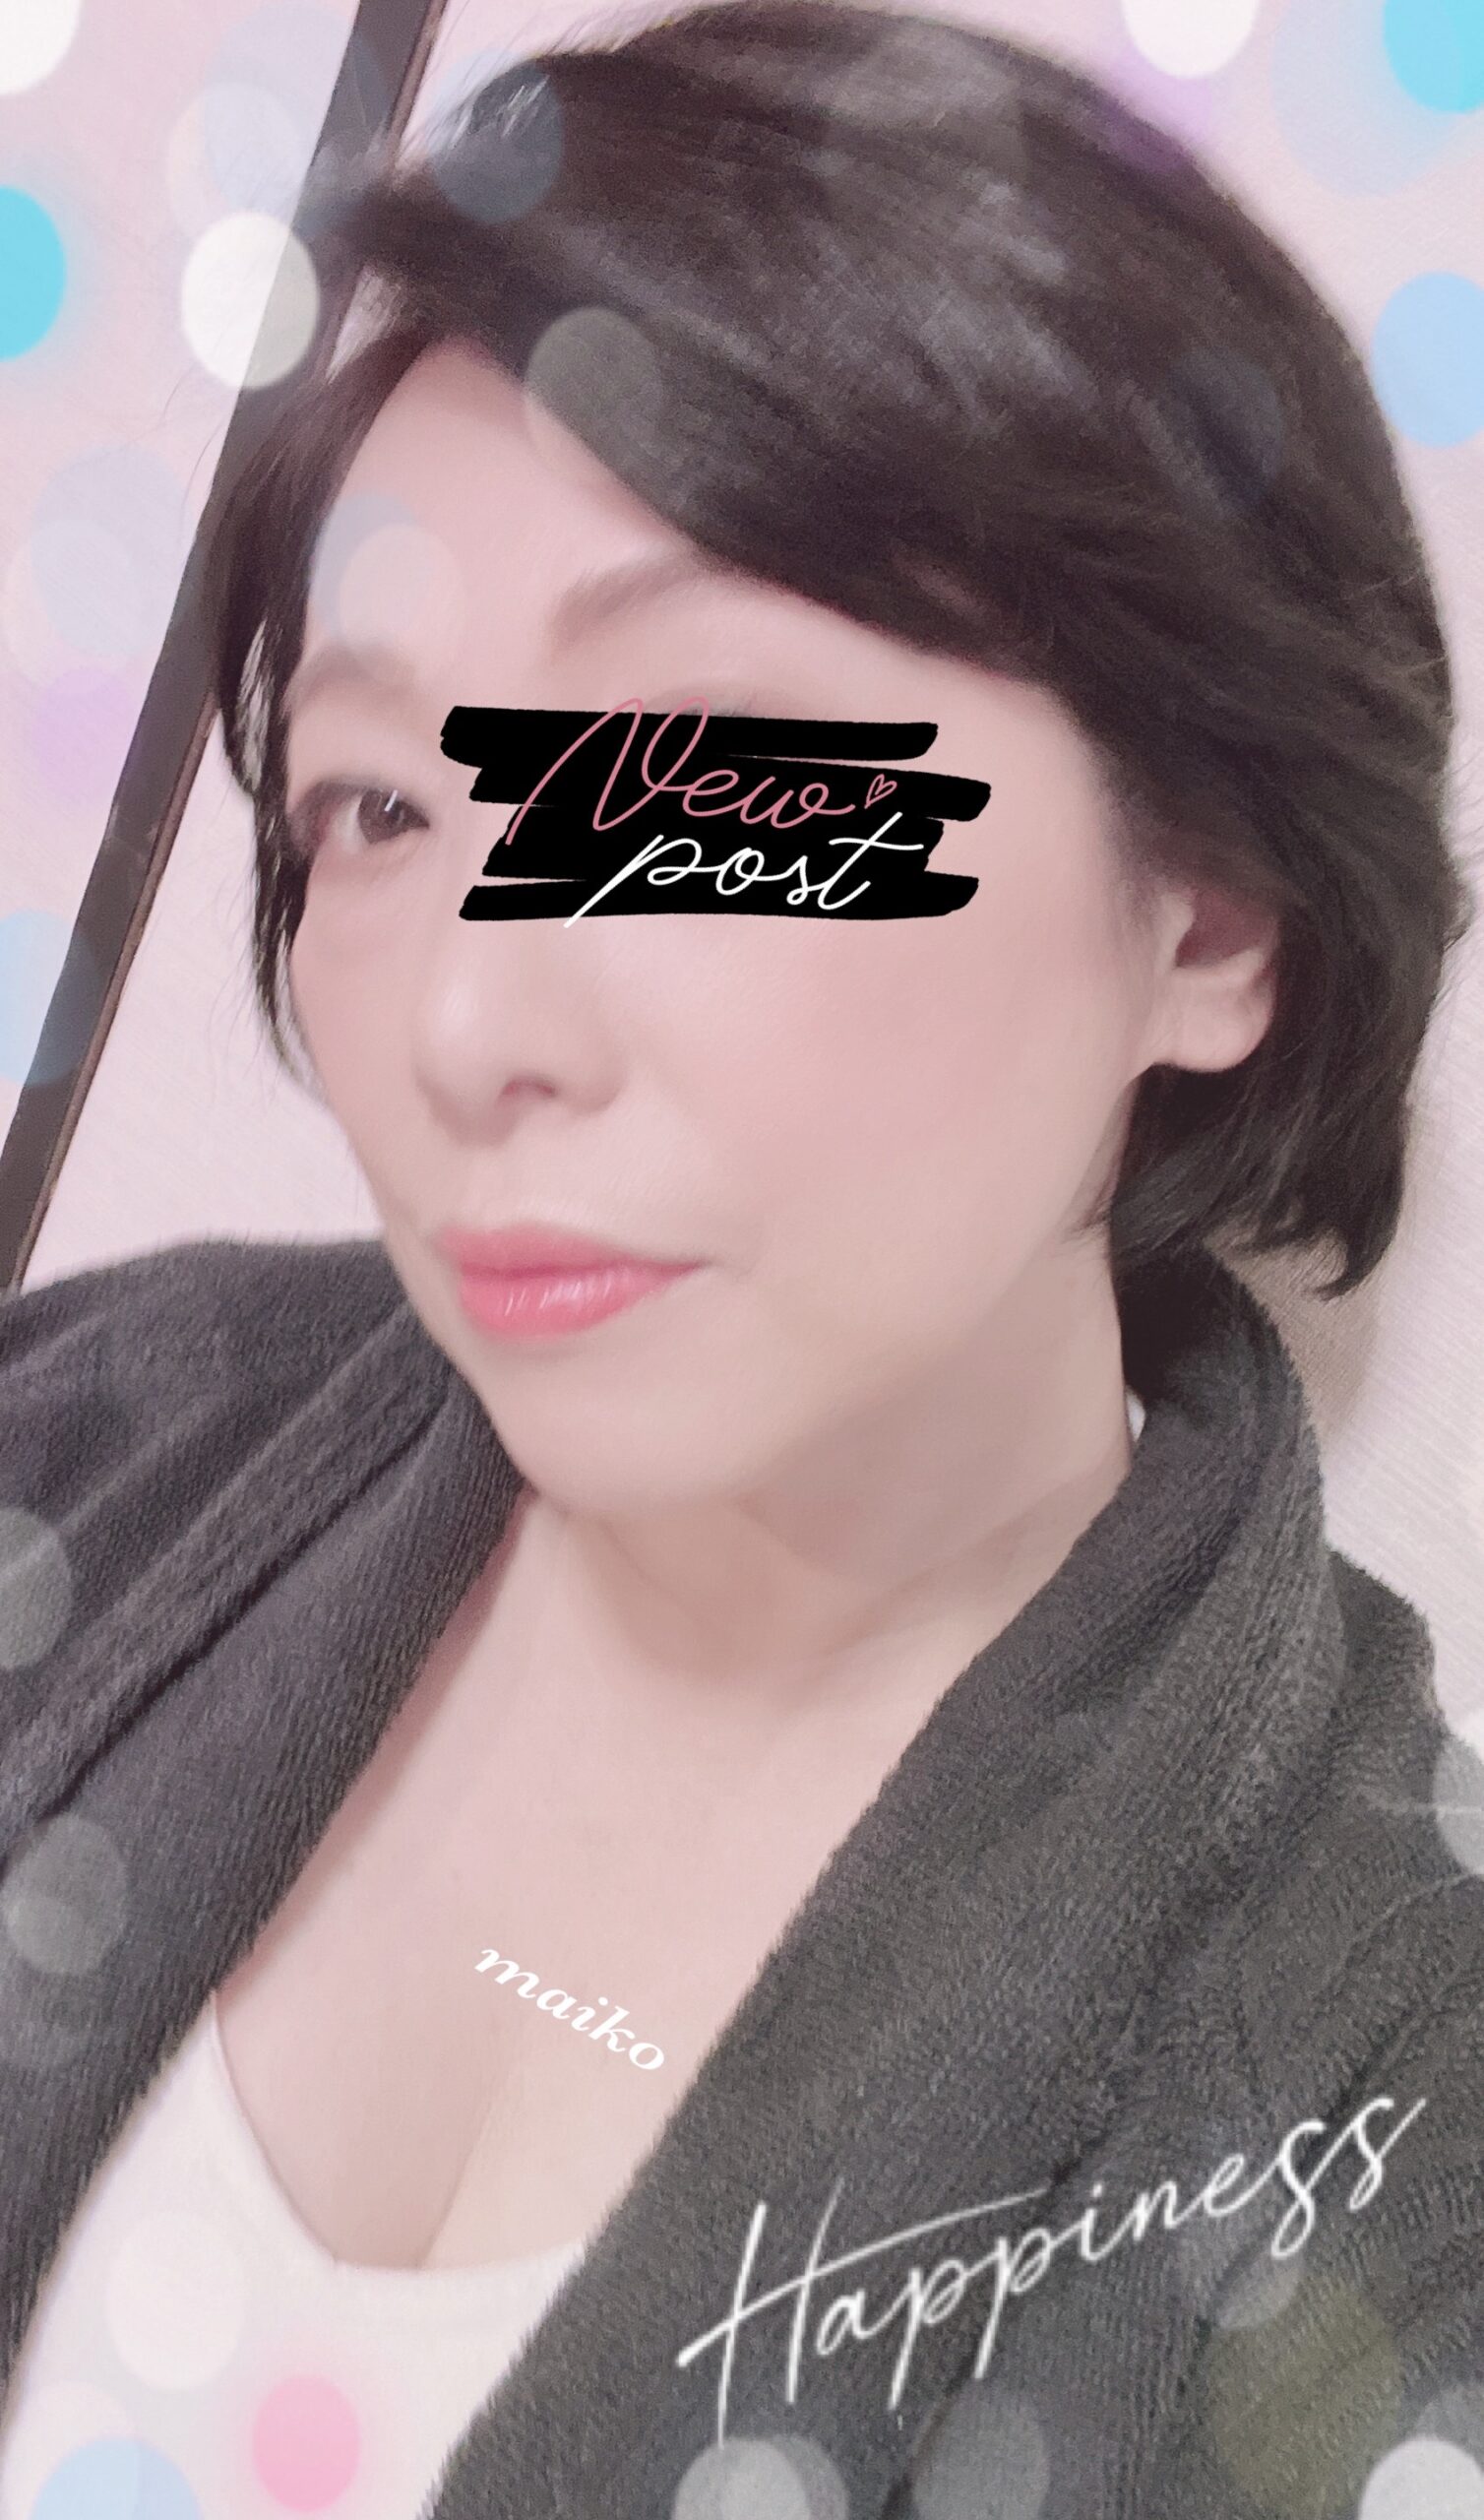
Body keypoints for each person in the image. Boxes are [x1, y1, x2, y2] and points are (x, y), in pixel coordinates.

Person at [0, 4, 1480, 2515]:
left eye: (692, 779)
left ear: (1210, 907)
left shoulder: (1392, 2108)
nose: (463, 1022)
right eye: (377, 805)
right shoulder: (86, 1428)